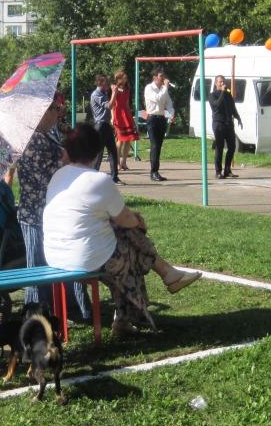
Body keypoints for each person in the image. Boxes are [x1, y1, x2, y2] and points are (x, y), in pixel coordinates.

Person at [42, 124, 201, 337]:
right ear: (97, 152)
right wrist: (139, 222)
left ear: (69, 151)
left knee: (125, 239)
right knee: (131, 253)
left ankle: (164, 278)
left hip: (55, 255)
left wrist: (131, 220)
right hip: (85, 258)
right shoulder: (98, 180)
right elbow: (125, 219)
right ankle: (157, 284)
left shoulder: (58, 176)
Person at [14, 97, 91, 322]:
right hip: (36, 214)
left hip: (50, 211)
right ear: (41, 113)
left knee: (61, 261)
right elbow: (46, 176)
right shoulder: (32, 140)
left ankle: (68, 308)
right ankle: (37, 314)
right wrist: (67, 160)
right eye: (54, 109)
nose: (58, 113)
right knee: (38, 266)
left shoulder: (46, 134)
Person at [90, 74, 122, 184]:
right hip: (100, 125)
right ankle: (93, 176)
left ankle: (114, 177)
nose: (108, 84)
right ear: (101, 83)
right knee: (99, 152)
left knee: (112, 151)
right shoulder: (96, 94)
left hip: (106, 125)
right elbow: (109, 106)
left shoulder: (103, 93)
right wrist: (114, 93)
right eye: (106, 83)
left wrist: (114, 93)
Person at [209, 75, 242, 179]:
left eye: (223, 81)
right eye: (220, 82)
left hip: (228, 123)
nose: (222, 83)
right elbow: (216, 105)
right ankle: (218, 171)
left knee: (232, 147)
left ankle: (227, 170)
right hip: (218, 124)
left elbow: (233, 108)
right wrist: (222, 92)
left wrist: (238, 117)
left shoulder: (228, 95)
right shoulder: (212, 95)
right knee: (219, 147)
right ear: (216, 83)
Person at [143, 69, 173, 182]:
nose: (163, 78)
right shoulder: (149, 88)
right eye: (161, 76)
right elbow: (158, 98)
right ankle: (153, 172)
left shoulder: (163, 89)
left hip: (161, 119)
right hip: (152, 119)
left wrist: (171, 113)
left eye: (163, 76)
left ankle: (156, 171)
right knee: (155, 145)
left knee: (159, 146)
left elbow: (168, 103)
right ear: (155, 77)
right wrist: (165, 87)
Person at [110, 70, 138, 172]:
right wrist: (112, 117)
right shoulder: (114, 88)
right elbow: (112, 104)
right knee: (120, 140)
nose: (126, 79)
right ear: (119, 79)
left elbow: (126, 104)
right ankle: (117, 163)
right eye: (124, 77)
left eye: (126, 78)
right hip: (118, 115)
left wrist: (130, 117)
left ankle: (124, 162)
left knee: (128, 139)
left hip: (126, 114)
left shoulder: (127, 89)